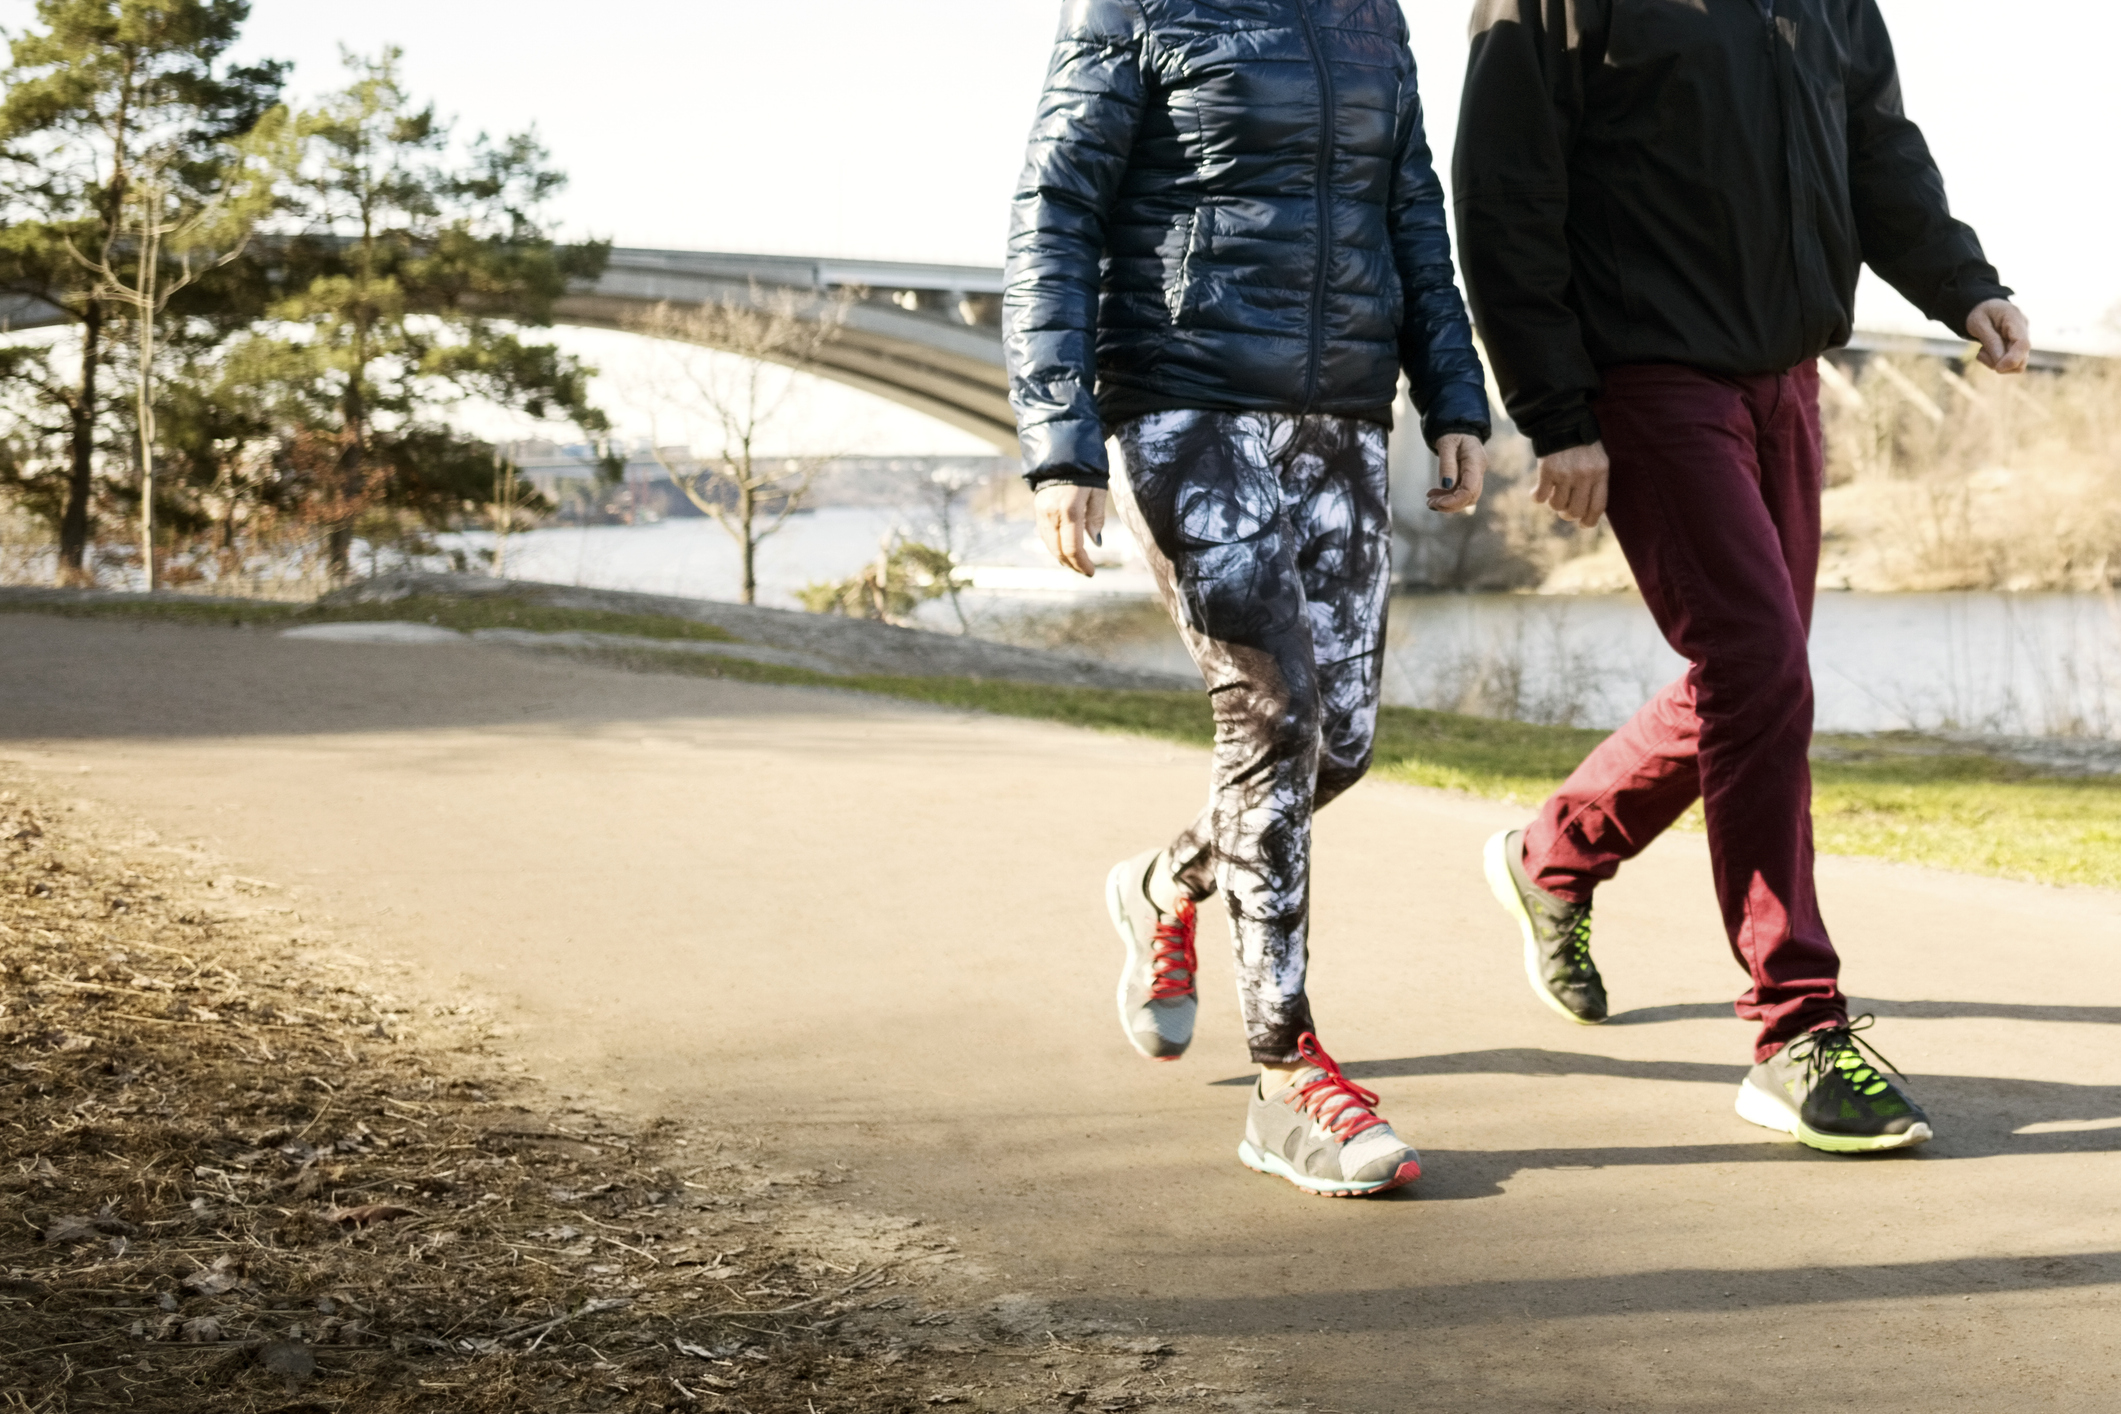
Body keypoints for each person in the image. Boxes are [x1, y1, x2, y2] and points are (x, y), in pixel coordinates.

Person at [1453, 0, 2033, 1153]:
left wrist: (1961, 280)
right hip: (1652, 374)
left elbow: (1877, 148)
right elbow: (1505, 190)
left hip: (1788, 377)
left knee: (1754, 678)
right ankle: (1795, 1030)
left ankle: (1553, 855)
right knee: (1759, 666)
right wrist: (1557, 409)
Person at [1003, 0, 1492, 1196]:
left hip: (1340, 410)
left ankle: (1165, 881)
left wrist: (1454, 393)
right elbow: (1055, 208)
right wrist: (1060, 442)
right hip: (1185, 398)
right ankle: (1287, 1076)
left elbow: (1411, 208)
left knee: (1342, 742)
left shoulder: (1372, 16)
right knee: (1270, 718)